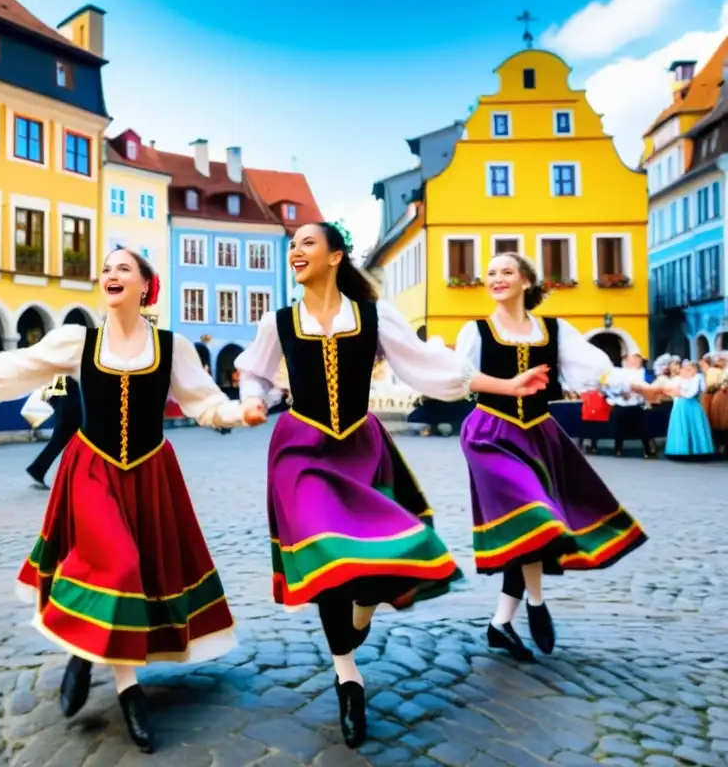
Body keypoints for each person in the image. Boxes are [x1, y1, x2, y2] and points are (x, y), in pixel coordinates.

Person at [0, 248, 250, 754]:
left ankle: (85, 654)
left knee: (142, 570)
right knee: (119, 564)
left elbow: (205, 402)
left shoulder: (172, 347)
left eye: (123, 269)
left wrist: (242, 414)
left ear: (145, 286)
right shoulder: (77, 341)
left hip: (150, 472)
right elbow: (13, 366)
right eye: (106, 268)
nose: (111, 274)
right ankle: (129, 691)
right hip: (91, 470)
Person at [235, 222, 550, 749]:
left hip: (360, 446)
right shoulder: (279, 320)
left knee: (377, 554)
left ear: (336, 256)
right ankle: (347, 675)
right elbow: (257, 375)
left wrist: (508, 384)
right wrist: (251, 401)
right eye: (292, 245)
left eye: (307, 243)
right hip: (300, 450)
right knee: (327, 551)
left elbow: (434, 369)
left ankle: (364, 607)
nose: (296, 251)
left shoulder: (375, 317)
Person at [454, 253, 654, 663]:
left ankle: (500, 623)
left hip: (539, 433)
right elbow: (461, 379)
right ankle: (538, 603)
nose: (497, 278)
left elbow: (597, 372)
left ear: (526, 281)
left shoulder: (555, 330)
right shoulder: (476, 332)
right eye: (491, 273)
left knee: (528, 529)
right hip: (490, 431)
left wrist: (641, 387)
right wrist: (508, 386)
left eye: (507, 272)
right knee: (535, 515)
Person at [26, 375, 81, 489]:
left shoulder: (61, 372)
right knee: (59, 443)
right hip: (72, 411)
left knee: (59, 443)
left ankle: (37, 469)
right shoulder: (68, 371)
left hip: (67, 410)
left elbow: (52, 394)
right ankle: (37, 469)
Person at [663, 359, 716, 461]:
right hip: (679, 407)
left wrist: (680, 392)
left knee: (694, 426)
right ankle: (680, 450)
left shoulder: (697, 378)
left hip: (691, 406)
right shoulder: (679, 379)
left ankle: (697, 450)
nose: (687, 371)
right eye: (685, 369)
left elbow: (691, 393)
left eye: (690, 369)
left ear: (696, 371)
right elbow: (668, 389)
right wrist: (674, 392)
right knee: (680, 427)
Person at [609, 352, 654, 458]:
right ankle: (618, 449)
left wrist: (640, 390)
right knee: (619, 429)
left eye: (636, 360)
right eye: (631, 359)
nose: (633, 362)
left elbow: (651, 386)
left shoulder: (645, 373)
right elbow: (610, 387)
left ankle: (647, 450)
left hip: (638, 404)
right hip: (621, 403)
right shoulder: (618, 372)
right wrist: (621, 392)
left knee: (643, 429)